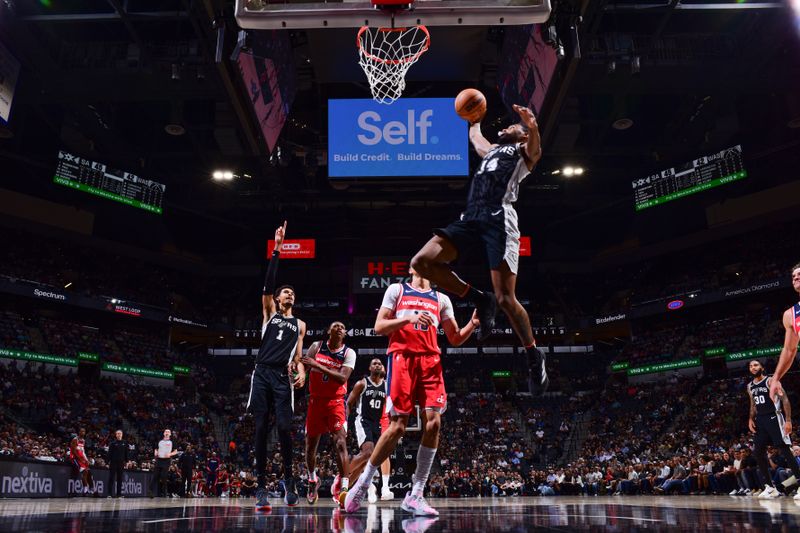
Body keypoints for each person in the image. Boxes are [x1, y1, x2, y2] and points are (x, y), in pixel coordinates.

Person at [409, 103, 548, 395]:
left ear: (521, 136)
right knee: (421, 262)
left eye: (513, 126)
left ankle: (534, 355)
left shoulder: (522, 154)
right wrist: (473, 121)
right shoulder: (494, 152)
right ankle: (478, 299)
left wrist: (532, 125)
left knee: (507, 299)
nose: (508, 126)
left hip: (500, 219)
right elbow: (477, 140)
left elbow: (535, 151)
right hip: (472, 216)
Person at [345, 268, 479, 515]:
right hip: (401, 357)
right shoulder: (397, 290)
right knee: (397, 426)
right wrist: (409, 318)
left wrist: (472, 324)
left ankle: (416, 493)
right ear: (412, 267)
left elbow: (455, 337)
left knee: (434, 423)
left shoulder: (442, 299)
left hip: (431, 360)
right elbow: (379, 326)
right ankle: (362, 485)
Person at [247, 221, 307, 512]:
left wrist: (303, 369)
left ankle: (290, 481)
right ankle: (260, 486)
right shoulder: (269, 312)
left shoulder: (300, 324)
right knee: (260, 429)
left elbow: (297, 357)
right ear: (277, 298)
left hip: (283, 378)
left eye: (292, 294)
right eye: (285, 292)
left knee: (284, 429)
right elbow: (269, 283)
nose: (288, 295)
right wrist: (278, 248)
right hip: (262, 373)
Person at [300, 321, 356, 505]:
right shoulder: (316, 346)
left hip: (336, 402)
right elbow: (304, 367)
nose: (340, 328)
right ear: (328, 330)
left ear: (345, 334)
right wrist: (297, 373)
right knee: (310, 446)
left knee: (340, 442)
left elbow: (342, 378)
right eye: (336, 326)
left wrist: (318, 364)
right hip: (315, 402)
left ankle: (344, 487)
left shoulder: (349, 353)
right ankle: (312, 480)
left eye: (342, 326)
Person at [746, 359, 800, 500]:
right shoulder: (750, 386)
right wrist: (751, 418)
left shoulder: (771, 381)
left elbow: (785, 400)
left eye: (756, 365)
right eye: (751, 366)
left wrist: (788, 420)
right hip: (761, 421)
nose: (753, 367)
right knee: (758, 451)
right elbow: (753, 405)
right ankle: (770, 487)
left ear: (762, 367)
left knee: (785, 450)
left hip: (774, 418)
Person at [346, 358, 394, 503]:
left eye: (380, 363)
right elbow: (348, 403)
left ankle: (361, 484)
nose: (378, 365)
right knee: (368, 453)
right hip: (363, 421)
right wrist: (344, 424)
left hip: (378, 423)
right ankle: (343, 477)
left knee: (375, 455)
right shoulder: (362, 383)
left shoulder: (386, 386)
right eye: (374, 363)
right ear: (369, 368)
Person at [769, 263, 800, 402]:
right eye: (793, 276)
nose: (796, 278)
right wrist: (776, 378)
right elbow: (789, 350)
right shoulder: (790, 314)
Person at [151, 428, 178, 497]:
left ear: (170, 434)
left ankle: (165, 493)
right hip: (159, 460)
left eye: (168, 432)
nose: (166, 433)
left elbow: (175, 451)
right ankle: (150, 492)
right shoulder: (159, 441)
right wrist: (156, 453)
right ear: (163, 433)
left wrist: (170, 454)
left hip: (166, 461)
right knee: (155, 476)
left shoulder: (172, 441)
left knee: (164, 476)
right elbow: (156, 449)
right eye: (165, 432)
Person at [70, 428, 97, 496]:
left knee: (89, 472)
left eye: (84, 431)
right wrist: (80, 459)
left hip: (81, 458)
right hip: (74, 458)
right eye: (81, 431)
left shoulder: (83, 441)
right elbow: (73, 451)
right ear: (79, 432)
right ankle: (85, 490)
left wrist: (86, 460)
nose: (83, 432)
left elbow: (83, 452)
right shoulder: (75, 439)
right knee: (85, 471)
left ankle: (91, 490)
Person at [107, 429, 128, 498]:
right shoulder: (112, 443)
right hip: (113, 462)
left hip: (121, 463)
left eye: (120, 433)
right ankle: (109, 494)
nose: (119, 435)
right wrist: (108, 462)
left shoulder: (125, 443)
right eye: (118, 434)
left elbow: (126, 453)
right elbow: (109, 453)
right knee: (111, 478)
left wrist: (127, 461)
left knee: (120, 478)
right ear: (116, 435)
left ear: (122, 435)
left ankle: (119, 494)